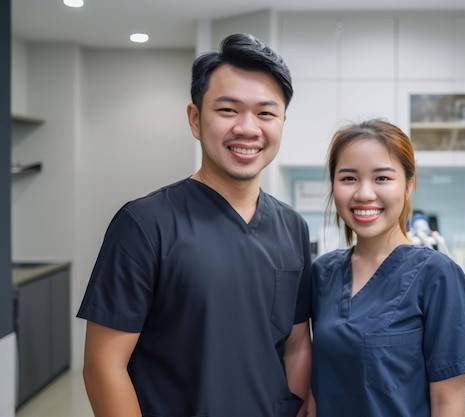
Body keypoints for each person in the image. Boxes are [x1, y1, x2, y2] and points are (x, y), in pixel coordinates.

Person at [77, 33, 312, 417]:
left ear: (282, 121)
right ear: (195, 119)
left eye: (266, 113)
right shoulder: (144, 224)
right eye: (228, 110)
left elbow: (297, 343)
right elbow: (103, 366)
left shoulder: (292, 228)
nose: (248, 128)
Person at [310, 119, 465, 417]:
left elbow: (447, 405)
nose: (363, 194)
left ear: (409, 184)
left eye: (382, 178)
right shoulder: (322, 273)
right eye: (348, 178)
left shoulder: (438, 276)